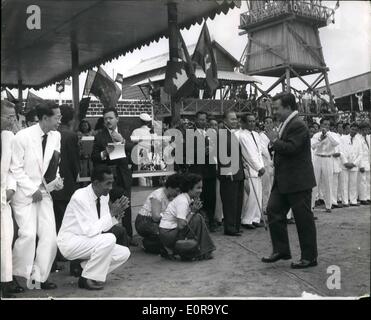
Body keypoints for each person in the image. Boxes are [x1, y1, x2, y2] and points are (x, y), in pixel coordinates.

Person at [10, 101, 64, 289]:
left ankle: (39, 277)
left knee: (49, 237)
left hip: (45, 193)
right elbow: (15, 167)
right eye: (57, 117)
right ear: (44, 118)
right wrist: (31, 190)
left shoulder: (56, 136)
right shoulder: (22, 137)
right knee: (29, 235)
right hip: (25, 195)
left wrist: (55, 181)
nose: (60, 120)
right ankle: (17, 276)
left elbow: (54, 163)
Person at [262, 92, 318, 269]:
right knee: (273, 210)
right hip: (284, 180)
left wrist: (273, 140)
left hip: (298, 181)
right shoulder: (288, 124)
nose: (274, 112)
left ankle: (309, 257)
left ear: (287, 107)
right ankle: (281, 250)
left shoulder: (298, 125)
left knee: (303, 219)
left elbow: (292, 148)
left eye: (277, 108)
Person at [57, 165, 131, 290]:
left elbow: (100, 227)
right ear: (96, 183)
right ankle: (87, 279)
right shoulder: (79, 197)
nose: (110, 188)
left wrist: (114, 218)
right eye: (107, 184)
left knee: (124, 253)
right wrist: (111, 214)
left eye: (112, 183)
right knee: (110, 239)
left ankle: (83, 270)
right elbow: (90, 230)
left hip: (88, 241)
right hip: (70, 243)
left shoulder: (104, 196)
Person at [91, 107, 134, 243]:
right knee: (106, 206)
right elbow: (94, 156)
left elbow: (133, 149)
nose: (108, 121)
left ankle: (129, 236)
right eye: (105, 119)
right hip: (108, 176)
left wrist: (122, 141)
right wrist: (105, 153)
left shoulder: (125, 132)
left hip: (123, 175)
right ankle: (110, 235)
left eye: (110, 118)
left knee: (126, 205)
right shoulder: (99, 136)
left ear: (117, 119)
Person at [159, 174, 216, 261]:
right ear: (189, 188)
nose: (200, 191)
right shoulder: (182, 200)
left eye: (201, 188)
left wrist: (193, 211)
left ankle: (203, 250)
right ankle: (204, 251)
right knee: (197, 218)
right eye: (198, 188)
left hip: (172, 231)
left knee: (197, 218)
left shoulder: (187, 198)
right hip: (168, 234)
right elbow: (181, 225)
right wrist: (192, 211)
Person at [51, 105, 81, 272]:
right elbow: (74, 162)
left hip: (51, 183)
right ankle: (67, 255)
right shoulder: (70, 135)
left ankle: (55, 256)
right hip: (67, 183)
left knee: (53, 221)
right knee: (67, 222)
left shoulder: (52, 134)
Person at [1, 100, 24, 298]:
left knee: (7, 238)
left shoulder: (9, 137)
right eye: (8, 117)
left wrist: (10, 188)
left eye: (13, 117)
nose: (12, 121)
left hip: (3, 199)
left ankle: (6, 280)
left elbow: (12, 168)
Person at [135, 174, 183, 254]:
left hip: (160, 222)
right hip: (145, 221)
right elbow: (156, 217)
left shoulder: (173, 196)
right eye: (177, 190)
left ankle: (151, 243)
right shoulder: (158, 195)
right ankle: (147, 244)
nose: (178, 193)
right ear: (170, 187)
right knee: (164, 235)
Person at [187, 111, 217, 232]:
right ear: (195, 120)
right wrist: (201, 150)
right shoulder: (190, 134)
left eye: (204, 120)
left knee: (211, 197)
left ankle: (211, 221)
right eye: (200, 120)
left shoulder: (210, 133)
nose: (203, 122)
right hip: (198, 171)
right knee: (199, 198)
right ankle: (199, 224)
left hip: (210, 170)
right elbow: (187, 152)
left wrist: (213, 149)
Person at [217, 111, 245, 236]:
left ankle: (236, 226)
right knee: (230, 201)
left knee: (238, 201)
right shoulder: (222, 134)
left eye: (235, 119)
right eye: (232, 119)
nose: (235, 121)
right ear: (225, 121)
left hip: (239, 172)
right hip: (229, 174)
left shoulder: (234, 134)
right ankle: (230, 228)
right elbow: (221, 155)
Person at [239, 113, 265, 229]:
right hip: (251, 169)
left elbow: (259, 153)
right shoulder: (242, 135)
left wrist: (261, 166)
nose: (252, 123)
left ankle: (256, 218)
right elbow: (249, 154)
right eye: (249, 121)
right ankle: (246, 219)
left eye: (253, 121)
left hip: (259, 168)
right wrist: (259, 167)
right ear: (244, 123)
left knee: (258, 195)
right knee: (252, 196)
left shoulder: (255, 134)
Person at [311, 118, 340, 212]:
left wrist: (327, 134)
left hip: (328, 158)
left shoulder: (333, 135)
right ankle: (311, 206)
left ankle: (328, 205)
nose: (326, 126)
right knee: (314, 183)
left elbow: (335, 143)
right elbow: (313, 146)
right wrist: (320, 139)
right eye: (324, 124)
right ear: (321, 125)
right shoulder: (316, 135)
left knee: (328, 182)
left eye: (328, 124)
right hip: (317, 158)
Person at [340, 123, 362, 207]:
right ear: (350, 129)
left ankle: (353, 201)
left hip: (353, 165)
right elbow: (341, 151)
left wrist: (354, 163)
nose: (354, 131)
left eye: (356, 130)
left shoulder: (359, 140)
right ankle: (345, 201)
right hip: (345, 164)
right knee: (344, 183)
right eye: (352, 129)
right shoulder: (343, 138)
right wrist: (345, 162)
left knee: (353, 183)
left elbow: (360, 154)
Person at [260, 117, 275, 213]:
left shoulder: (275, 134)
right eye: (267, 122)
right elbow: (264, 150)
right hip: (265, 163)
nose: (269, 124)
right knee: (265, 187)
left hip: (273, 164)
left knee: (272, 187)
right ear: (264, 124)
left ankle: (270, 206)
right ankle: (264, 207)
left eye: (270, 122)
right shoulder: (261, 135)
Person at [358, 122, 370, 205]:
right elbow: (359, 153)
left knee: (368, 181)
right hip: (362, 162)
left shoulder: (368, 138)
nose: (367, 131)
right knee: (362, 181)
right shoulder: (358, 138)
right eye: (365, 129)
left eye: (368, 129)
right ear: (361, 130)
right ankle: (363, 198)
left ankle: (368, 197)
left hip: (368, 162)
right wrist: (361, 165)